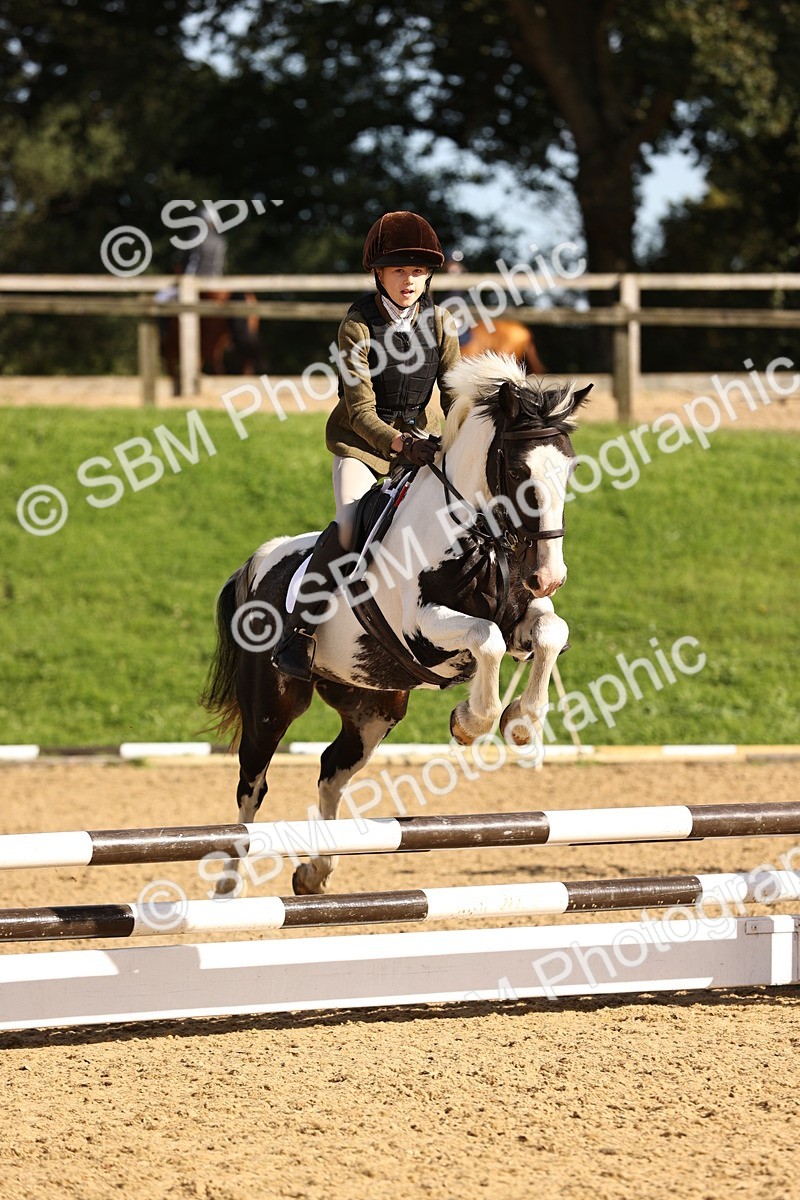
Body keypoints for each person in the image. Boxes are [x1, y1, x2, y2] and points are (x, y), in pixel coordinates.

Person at [274, 210, 462, 680]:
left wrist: (459, 435)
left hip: (423, 446)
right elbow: (359, 412)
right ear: (378, 272)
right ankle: (300, 632)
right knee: (347, 525)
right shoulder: (356, 325)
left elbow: (456, 392)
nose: (410, 280)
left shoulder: (441, 324)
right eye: (399, 270)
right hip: (363, 445)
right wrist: (400, 443)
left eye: (418, 271)